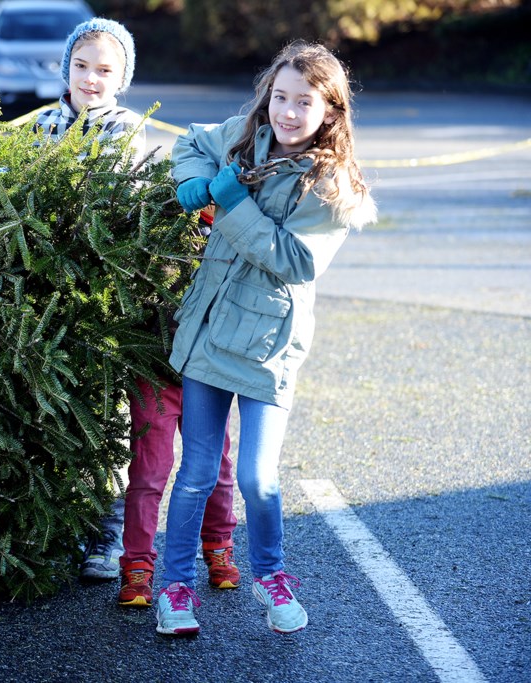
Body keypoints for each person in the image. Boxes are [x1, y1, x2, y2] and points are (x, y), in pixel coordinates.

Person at [156, 41, 376, 636]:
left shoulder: (332, 188)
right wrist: (198, 182)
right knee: (197, 470)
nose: (287, 112)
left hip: (269, 348)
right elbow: (190, 142)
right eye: (280, 97)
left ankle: (271, 576)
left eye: (304, 102)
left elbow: (294, 260)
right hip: (207, 333)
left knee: (257, 476)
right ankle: (174, 589)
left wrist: (228, 204)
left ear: (330, 111)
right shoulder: (245, 135)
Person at [33, 17, 240, 604]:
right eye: (81, 67)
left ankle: (109, 538)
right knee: (68, 424)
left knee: (114, 430)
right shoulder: (46, 126)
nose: (90, 80)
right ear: (65, 69)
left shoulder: (132, 131)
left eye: (104, 71)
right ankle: (62, 526)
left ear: (122, 79)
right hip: (53, 301)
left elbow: (138, 217)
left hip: (111, 306)